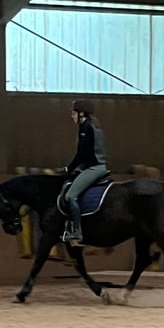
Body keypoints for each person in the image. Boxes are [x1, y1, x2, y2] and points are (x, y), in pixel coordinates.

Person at [62, 98, 109, 243]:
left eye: (73, 113)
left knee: (70, 196)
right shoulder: (93, 126)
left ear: (81, 114)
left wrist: (67, 169)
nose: (71, 116)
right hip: (97, 166)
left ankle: (77, 231)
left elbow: (81, 154)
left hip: (94, 168)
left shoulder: (85, 128)